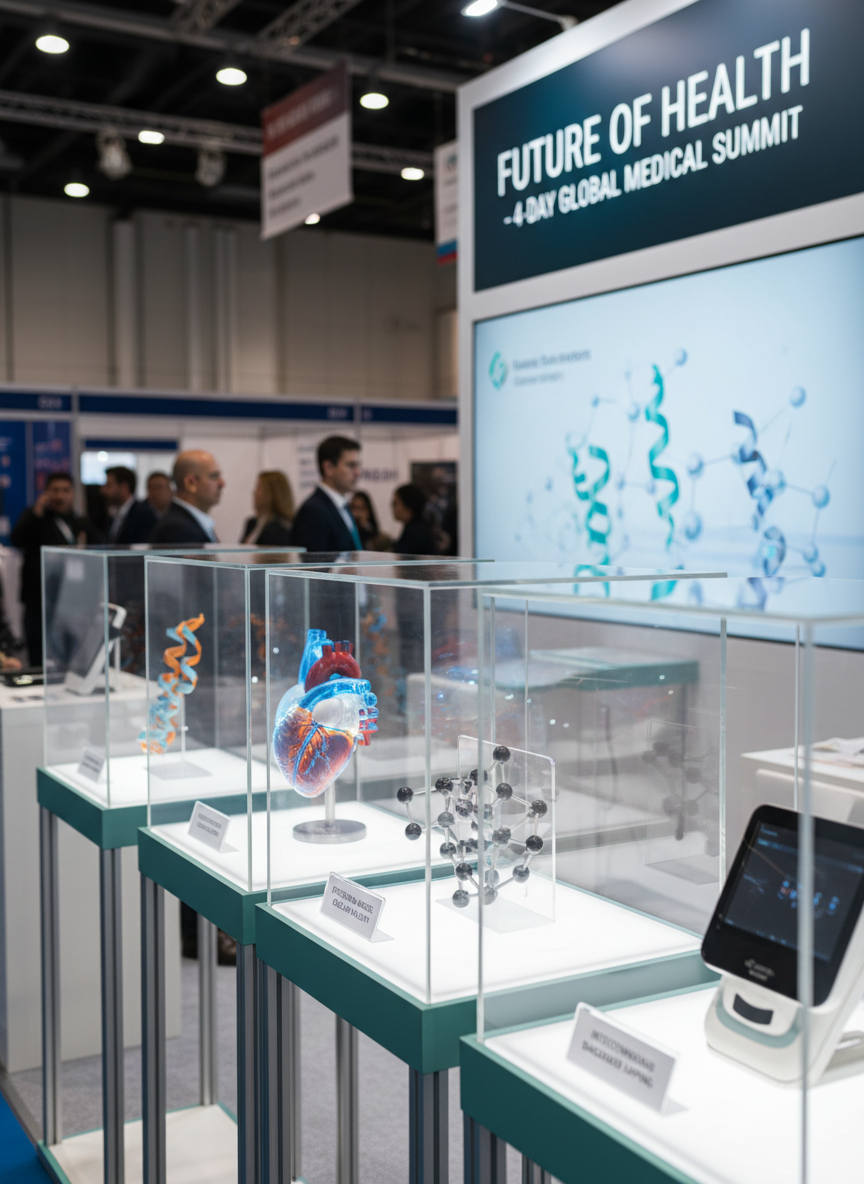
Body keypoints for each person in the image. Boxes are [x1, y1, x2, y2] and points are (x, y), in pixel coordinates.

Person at [10, 472, 95, 665]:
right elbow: (17, 539)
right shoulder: (36, 518)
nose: (60, 495)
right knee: (40, 656)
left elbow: (98, 548)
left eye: (65, 490)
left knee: (69, 657)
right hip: (39, 601)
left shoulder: (79, 521)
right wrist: (37, 512)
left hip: (72, 601)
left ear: (73, 493)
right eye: (55, 490)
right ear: (46, 493)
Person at [291, 436, 363, 553]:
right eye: (351, 465)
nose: (357, 472)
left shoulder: (341, 506)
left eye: (357, 465)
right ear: (328, 467)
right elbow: (312, 566)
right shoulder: (314, 511)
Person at [148, 451, 225, 544]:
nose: (222, 483)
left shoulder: (184, 524)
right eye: (214, 476)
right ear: (190, 483)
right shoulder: (177, 529)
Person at [102, 465, 157, 544]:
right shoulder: (114, 513)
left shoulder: (143, 514)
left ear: (124, 487)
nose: (103, 490)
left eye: (109, 485)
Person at [240, 471, 294, 545]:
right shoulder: (251, 523)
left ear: (273, 492)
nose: (254, 492)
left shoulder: (281, 529)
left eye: (259, 487)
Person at [392, 483, 437, 555]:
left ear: (408, 507)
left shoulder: (415, 534)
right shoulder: (417, 529)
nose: (393, 507)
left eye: (396, 503)